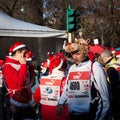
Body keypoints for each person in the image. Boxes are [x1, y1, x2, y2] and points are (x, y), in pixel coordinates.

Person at [56, 40, 111, 120]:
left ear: (85, 52)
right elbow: (67, 88)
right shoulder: (72, 68)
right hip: (73, 115)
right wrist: (60, 103)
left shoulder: (95, 67)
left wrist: (100, 117)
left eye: (77, 54)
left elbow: (104, 99)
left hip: (90, 115)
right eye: (72, 54)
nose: (74, 57)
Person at [33, 51, 69, 120]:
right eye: (64, 66)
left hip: (46, 114)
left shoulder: (44, 80)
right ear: (61, 68)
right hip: (62, 114)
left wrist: (45, 102)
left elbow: (36, 97)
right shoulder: (66, 81)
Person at [100, 49, 120, 120]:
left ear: (105, 58)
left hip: (116, 96)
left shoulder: (110, 67)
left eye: (103, 59)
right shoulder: (117, 63)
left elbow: (113, 84)